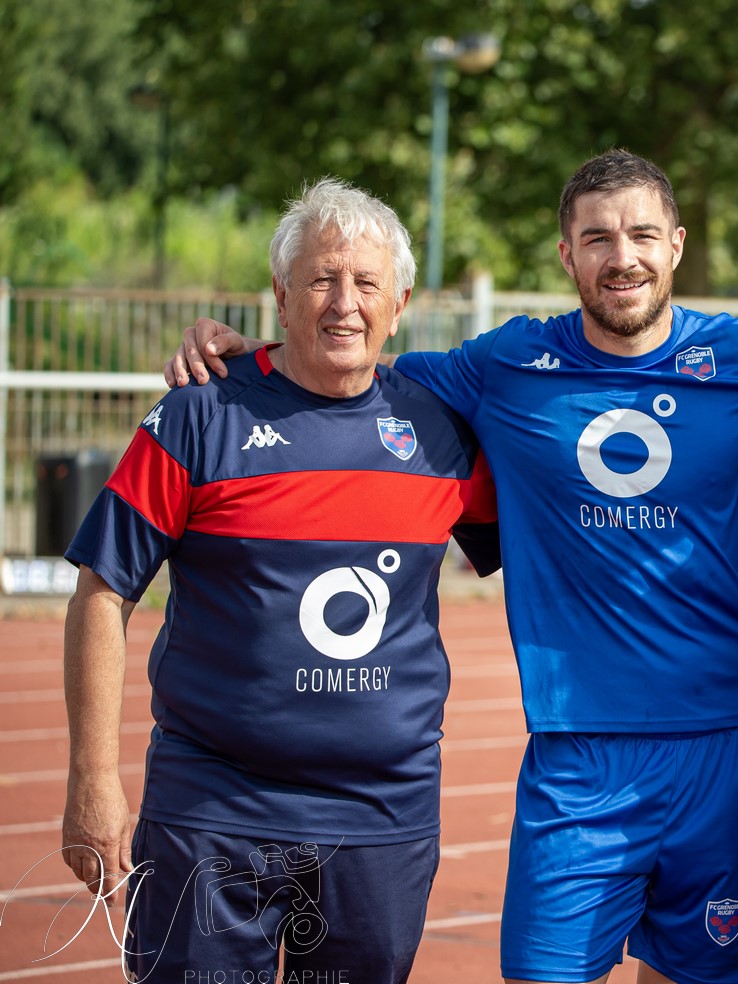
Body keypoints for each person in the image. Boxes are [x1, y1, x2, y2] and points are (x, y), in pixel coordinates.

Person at [163, 150, 738, 984]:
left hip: (733, 741)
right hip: (578, 753)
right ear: (566, 251)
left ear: (676, 245)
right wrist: (247, 359)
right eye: (600, 239)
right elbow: (351, 370)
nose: (625, 259)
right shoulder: (501, 364)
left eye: (644, 236)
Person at [62, 177, 501, 984]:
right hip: (211, 810)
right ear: (281, 294)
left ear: (398, 302)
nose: (344, 303)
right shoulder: (199, 415)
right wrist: (93, 780)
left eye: (367, 283)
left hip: (382, 816)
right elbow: (101, 591)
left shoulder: (440, 433)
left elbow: (548, 543)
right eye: (321, 279)